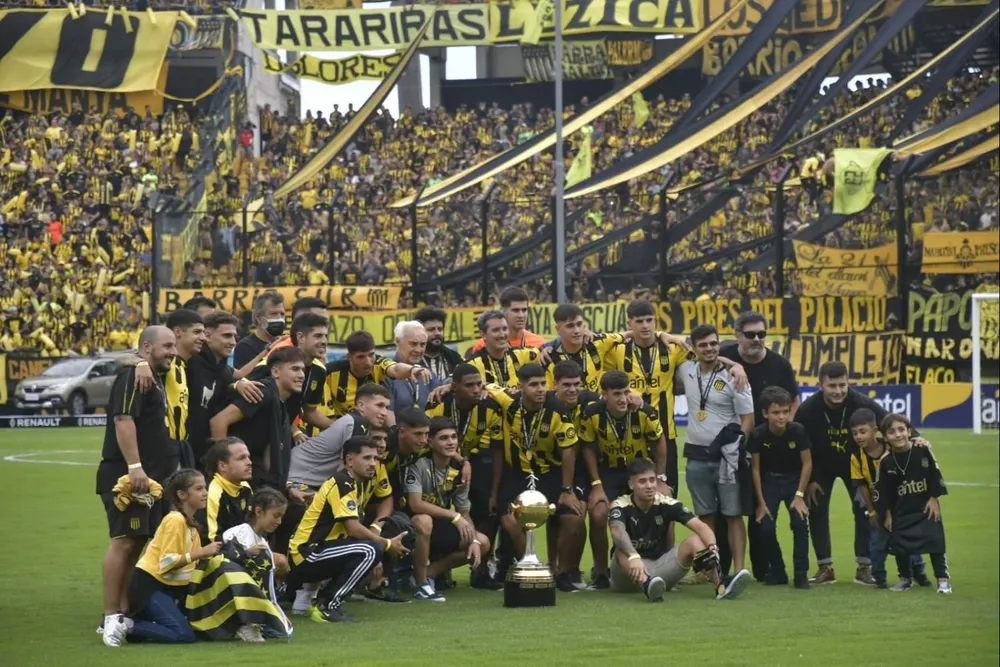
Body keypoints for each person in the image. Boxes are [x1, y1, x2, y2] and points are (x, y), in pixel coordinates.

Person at [96, 325, 178, 648]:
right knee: (125, 542)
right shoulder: (135, 376)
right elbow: (123, 420)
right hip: (128, 478)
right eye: (166, 346)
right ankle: (110, 615)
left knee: (139, 542)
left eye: (174, 345)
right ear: (147, 348)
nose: (172, 351)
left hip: (150, 480)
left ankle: (124, 611)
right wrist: (134, 467)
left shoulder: (154, 373)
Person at [286, 436, 410, 622]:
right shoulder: (342, 482)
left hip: (316, 551)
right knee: (370, 550)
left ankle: (313, 598)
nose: (373, 464)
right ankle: (328, 604)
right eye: (367, 458)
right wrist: (387, 543)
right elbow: (353, 529)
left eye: (375, 459)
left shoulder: (353, 483)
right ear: (350, 460)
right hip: (305, 554)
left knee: (371, 546)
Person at [795, 360, 895, 585]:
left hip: (857, 467)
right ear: (821, 385)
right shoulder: (808, 409)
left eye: (842, 385)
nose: (838, 391)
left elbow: (888, 422)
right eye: (832, 386)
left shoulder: (861, 402)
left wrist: (916, 437)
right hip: (821, 467)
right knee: (817, 511)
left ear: (848, 383)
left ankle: (864, 567)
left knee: (864, 511)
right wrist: (809, 479)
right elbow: (799, 442)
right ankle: (825, 567)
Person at [719, 310, 800, 581]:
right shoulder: (724, 353)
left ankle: (762, 569)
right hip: (730, 445)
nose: (757, 339)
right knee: (726, 511)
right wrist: (733, 363)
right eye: (751, 334)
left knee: (758, 509)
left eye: (762, 334)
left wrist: (784, 430)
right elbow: (697, 352)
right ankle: (720, 568)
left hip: (766, 451)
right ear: (737, 335)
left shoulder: (780, 364)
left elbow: (794, 399)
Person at [489, 363, 583, 589]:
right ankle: (529, 568)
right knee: (510, 520)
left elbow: (568, 450)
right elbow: (488, 387)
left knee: (573, 518)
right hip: (517, 474)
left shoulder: (557, 409)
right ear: (520, 387)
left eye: (543, 384)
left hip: (550, 474)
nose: (540, 389)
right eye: (533, 385)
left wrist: (567, 490)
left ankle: (561, 572)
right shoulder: (509, 402)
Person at [608, 458, 750, 601]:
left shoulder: (665, 502)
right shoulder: (620, 505)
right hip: (626, 576)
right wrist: (634, 556)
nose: (649, 486)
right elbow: (617, 531)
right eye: (642, 481)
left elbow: (700, 527)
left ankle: (721, 586)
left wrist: (712, 548)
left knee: (696, 541)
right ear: (631, 485)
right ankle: (646, 584)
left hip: (660, 570)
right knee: (622, 549)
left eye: (652, 480)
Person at [677, 324, 754, 578]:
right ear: (694, 348)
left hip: (725, 458)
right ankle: (712, 572)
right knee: (704, 516)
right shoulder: (686, 369)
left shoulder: (735, 376)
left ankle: (740, 569)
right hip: (696, 456)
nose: (709, 349)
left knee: (733, 515)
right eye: (703, 345)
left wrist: (736, 447)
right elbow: (669, 341)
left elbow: (748, 420)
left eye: (713, 344)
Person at [578, 370, 668, 589]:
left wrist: (661, 478)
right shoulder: (592, 414)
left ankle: (663, 567)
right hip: (608, 472)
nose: (622, 398)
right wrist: (596, 485)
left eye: (626, 392)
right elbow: (588, 448)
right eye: (616, 393)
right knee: (599, 513)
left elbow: (659, 442)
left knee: (665, 503)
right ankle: (600, 572)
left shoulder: (644, 411)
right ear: (604, 394)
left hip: (637, 470)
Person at [120, 469, 220, 646]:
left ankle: (140, 629)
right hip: (148, 587)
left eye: (205, 488)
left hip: (165, 589)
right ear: (181, 494)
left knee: (191, 630)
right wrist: (202, 552)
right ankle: (125, 625)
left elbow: (191, 566)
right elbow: (167, 562)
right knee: (184, 635)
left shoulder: (192, 526)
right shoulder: (175, 520)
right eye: (198, 488)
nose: (205, 493)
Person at [424, 363, 502, 588]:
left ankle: (481, 569)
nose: (476, 389)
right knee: (436, 509)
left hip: (477, 461)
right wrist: (461, 461)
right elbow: (428, 441)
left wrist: (494, 491)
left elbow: (495, 450)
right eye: (470, 385)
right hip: (438, 461)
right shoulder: (438, 404)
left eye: (479, 384)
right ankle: (436, 571)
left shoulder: (491, 407)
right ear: (454, 387)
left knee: (487, 509)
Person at [604, 300, 693, 494]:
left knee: (667, 498)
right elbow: (590, 346)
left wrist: (734, 365)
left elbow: (706, 354)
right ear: (630, 324)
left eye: (649, 320)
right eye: (639, 321)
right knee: (631, 499)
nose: (645, 326)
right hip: (631, 438)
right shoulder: (617, 351)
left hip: (665, 434)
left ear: (656, 321)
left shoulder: (673, 349)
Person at [405, 418, 492, 601]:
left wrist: (474, 540)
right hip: (410, 526)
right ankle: (422, 585)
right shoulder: (419, 464)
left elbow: (464, 511)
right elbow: (415, 504)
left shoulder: (460, 470)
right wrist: (453, 516)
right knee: (424, 520)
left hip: (440, 525)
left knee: (482, 543)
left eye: (453, 437)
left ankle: (428, 573)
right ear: (430, 442)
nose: (451, 442)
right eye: (444, 438)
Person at [849, 409, 930, 590]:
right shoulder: (856, 457)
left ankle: (919, 573)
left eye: (863, 432)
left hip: (902, 505)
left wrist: (919, 440)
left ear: (875, 430)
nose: (858, 437)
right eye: (854, 433)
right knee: (877, 544)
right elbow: (862, 486)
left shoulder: (892, 449)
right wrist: (871, 511)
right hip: (878, 507)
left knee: (909, 541)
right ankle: (879, 578)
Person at [209, 347, 306, 492]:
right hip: (238, 479)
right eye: (295, 369)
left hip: (258, 478)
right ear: (275, 372)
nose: (301, 375)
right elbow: (219, 421)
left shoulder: (279, 402)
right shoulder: (262, 392)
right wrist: (223, 475)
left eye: (302, 370)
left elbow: (269, 453)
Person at [875, 414, 952, 594]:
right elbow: (882, 491)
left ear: (909, 431)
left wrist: (934, 498)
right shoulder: (886, 461)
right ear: (885, 437)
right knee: (900, 545)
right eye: (892, 432)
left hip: (925, 507)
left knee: (935, 541)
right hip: (901, 511)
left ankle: (943, 579)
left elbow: (935, 474)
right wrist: (887, 514)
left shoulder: (922, 450)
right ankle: (905, 579)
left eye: (902, 430)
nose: (898, 435)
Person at [747, 387, 812, 589]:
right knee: (765, 527)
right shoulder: (758, 434)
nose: (782, 417)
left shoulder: (798, 431)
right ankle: (778, 571)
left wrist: (800, 496)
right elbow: (755, 469)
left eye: (785, 411)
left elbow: (807, 464)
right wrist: (760, 503)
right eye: (776, 413)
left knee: (800, 524)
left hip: (794, 482)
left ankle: (801, 574)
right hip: (770, 483)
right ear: (766, 414)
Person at [186, 311, 264, 464]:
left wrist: (267, 352)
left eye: (235, 336)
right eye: (227, 336)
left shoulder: (221, 367)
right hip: (181, 450)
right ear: (207, 336)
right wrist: (140, 364)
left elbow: (239, 374)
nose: (233, 342)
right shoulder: (191, 361)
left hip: (202, 453)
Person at [287, 383, 391, 493]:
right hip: (296, 478)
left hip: (305, 477)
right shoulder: (356, 423)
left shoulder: (357, 422)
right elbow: (347, 470)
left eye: (387, 407)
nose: (384, 413)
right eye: (379, 405)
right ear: (361, 405)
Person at [221, 488, 293, 637]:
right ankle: (245, 623)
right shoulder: (239, 532)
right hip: (229, 599)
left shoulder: (262, 542)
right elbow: (229, 563)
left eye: (282, 517)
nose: (279, 522)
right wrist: (248, 553)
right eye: (276, 516)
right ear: (259, 511)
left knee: (281, 632)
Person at [248, 312, 333, 437]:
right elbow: (244, 388)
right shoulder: (276, 360)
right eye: (318, 336)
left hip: (280, 435)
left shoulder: (319, 371)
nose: (324, 341)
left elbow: (309, 412)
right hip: (252, 433)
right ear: (301, 337)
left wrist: (340, 428)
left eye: (326, 336)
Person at [324, 330, 431, 418]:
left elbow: (395, 369)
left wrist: (411, 369)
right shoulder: (331, 372)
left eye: (371, 355)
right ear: (349, 357)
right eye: (361, 357)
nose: (368, 362)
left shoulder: (378, 363)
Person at [542, 304, 625, 392]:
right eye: (570, 326)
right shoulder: (549, 358)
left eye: (579, 324)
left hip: (597, 404)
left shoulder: (597, 343)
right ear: (557, 329)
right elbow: (549, 394)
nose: (577, 331)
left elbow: (628, 334)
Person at [384, 320, 446, 414]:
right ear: (397, 341)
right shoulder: (385, 374)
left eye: (422, 344)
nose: (418, 350)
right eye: (413, 344)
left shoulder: (428, 374)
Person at [468, 310, 541, 389]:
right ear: (483, 334)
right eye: (496, 330)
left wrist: (546, 350)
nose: (502, 335)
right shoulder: (473, 365)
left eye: (505, 329)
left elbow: (544, 354)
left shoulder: (522, 354)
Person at [202, 438, 254, 544]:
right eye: (241, 458)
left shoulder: (245, 487)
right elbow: (212, 539)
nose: (249, 462)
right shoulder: (212, 492)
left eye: (248, 457)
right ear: (222, 466)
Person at [468, 286, 546, 354]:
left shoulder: (539, 343)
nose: (521, 315)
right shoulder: (484, 345)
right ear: (503, 310)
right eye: (515, 310)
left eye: (524, 310)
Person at [233, 290, 286, 369]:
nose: (279, 318)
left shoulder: (287, 344)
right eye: (273, 314)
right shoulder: (245, 347)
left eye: (282, 314)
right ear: (259, 318)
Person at [415, 306, 463, 380]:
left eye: (440, 329)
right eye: (431, 330)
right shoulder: (411, 360)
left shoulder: (454, 358)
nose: (437, 333)